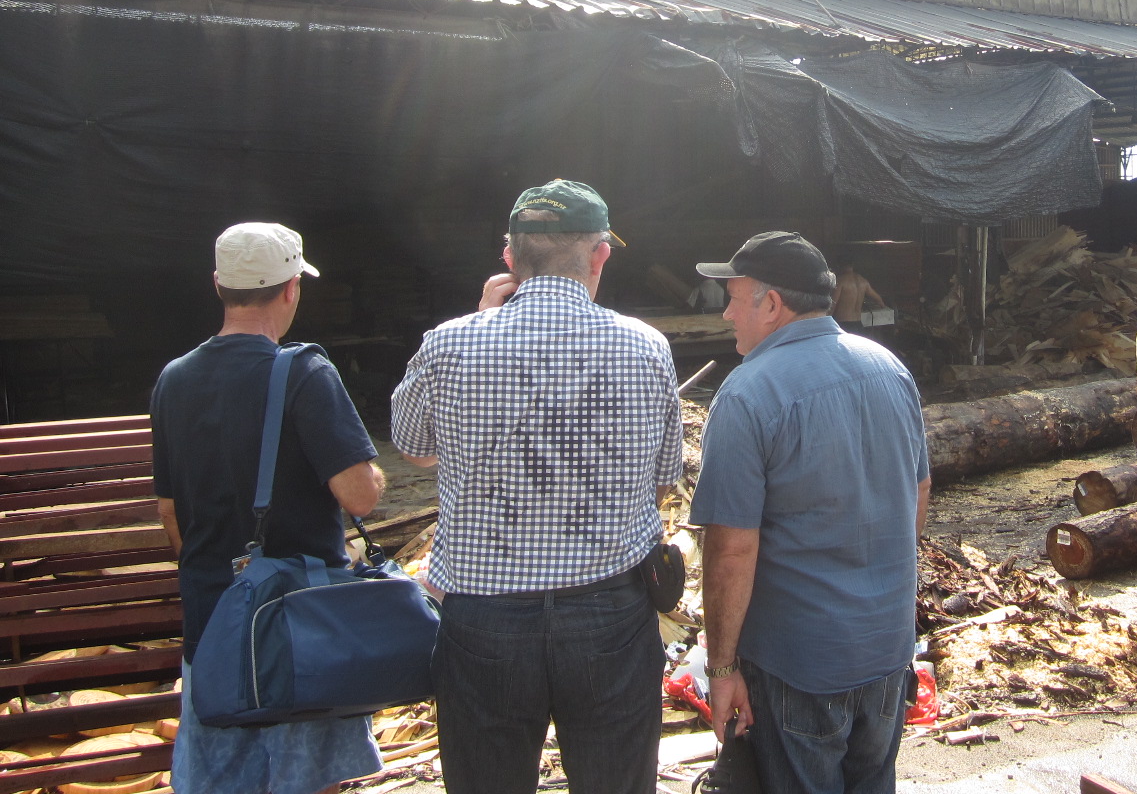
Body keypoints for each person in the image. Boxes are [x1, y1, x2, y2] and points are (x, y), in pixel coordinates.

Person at [390, 179, 681, 794]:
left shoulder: (449, 343)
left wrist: (482, 321)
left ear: (509, 257)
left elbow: (413, 449)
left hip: (484, 618)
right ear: (599, 254)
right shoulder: (646, 346)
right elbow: (662, 483)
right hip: (610, 613)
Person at [690, 231, 929, 794]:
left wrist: (721, 669)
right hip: (887, 649)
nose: (726, 314)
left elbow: (731, 550)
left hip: (799, 667)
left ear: (772, 304)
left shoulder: (747, 394)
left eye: (733, 298)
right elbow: (917, 495)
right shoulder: (889, 368)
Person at [152, 222, 385, 794]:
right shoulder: (305, 372)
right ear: (290, 288)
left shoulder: (173, 379)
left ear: (218, 285)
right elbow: (360, 496)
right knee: (308, 782)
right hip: (301, 631)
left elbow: (169, 513)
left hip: (211, 624)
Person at [830, 261, 886, 333]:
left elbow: (832, 305)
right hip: (858, 324)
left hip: (844, 325)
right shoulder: (863, 281)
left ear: (839, 266)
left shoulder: (840, 281)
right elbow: (879, 300)